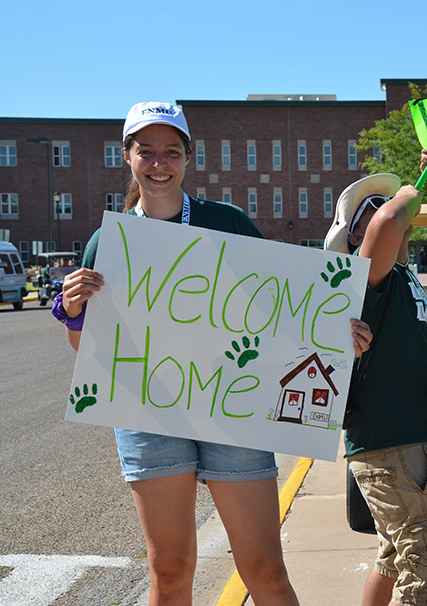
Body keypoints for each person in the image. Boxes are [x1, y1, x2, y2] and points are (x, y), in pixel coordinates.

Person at [54, 101, 371, 606]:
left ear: (187, 158)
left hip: (232, 408)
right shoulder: (108, 242)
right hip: (149, 414)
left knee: (265, 569)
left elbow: (278, 307)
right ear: (127, 156)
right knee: (171, 569)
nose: (159, 163)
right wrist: (74, 314)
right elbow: (90, 352)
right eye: (147, 151)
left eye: (171, 152)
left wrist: (328, 329)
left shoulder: (226, 222)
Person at [324, 170, 427, 606]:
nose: (393, 210)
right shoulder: (363, 280)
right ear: (353, 237)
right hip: (395, 447)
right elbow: (388, 224)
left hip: (406, 444)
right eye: (374, 206)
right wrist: (406, 195)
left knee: (394, 558)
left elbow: (393, 229)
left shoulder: (399, 277)